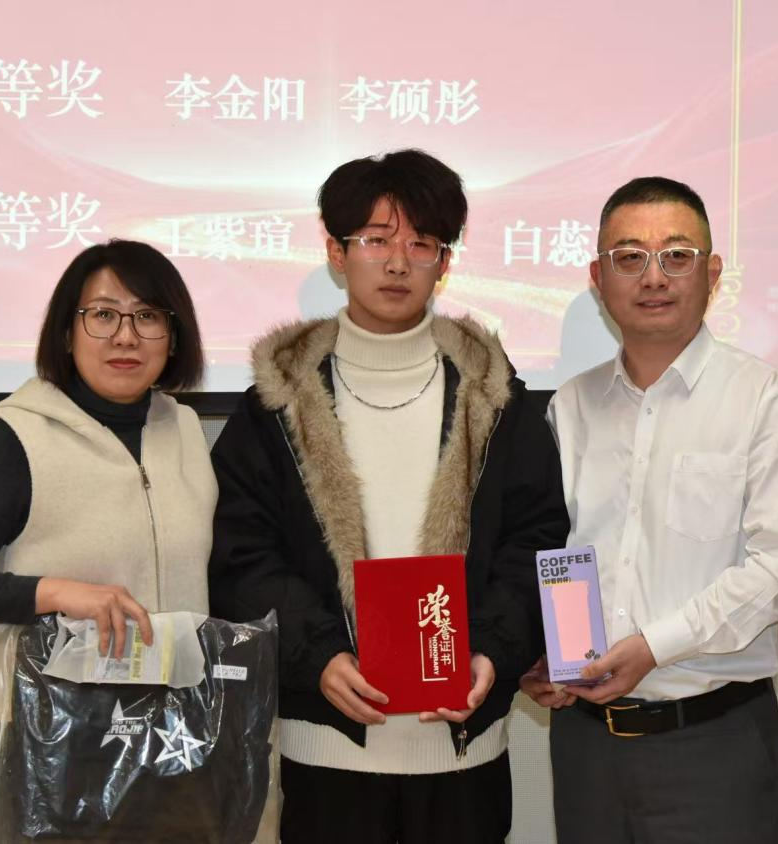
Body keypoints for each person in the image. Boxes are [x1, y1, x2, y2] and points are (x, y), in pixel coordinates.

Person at [208, 148, 568, 844]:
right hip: (328, 753)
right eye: (376, 240)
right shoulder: (274, 407)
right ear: (336, 252)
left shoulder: (496, 401)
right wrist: (316, 656)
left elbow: (536, 540)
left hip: (464, 755)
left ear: (444, 261)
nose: (398, 262)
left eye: (421, 243)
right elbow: (240, 555)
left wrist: (493, 650)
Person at [524, 176, 778, 843]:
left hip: (712, 742)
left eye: (676, 256)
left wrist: (654, 649)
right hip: (585, 745)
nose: (653, 276)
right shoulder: (569, 407)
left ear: (712, 274)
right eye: (629, 257)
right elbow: (552, 552)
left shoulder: (763, 399)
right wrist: (539, 651)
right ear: (598, 279)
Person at [0, 239, 216, 833]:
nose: (126, 337)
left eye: (148, 316)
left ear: (174, 336)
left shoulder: (185, 430)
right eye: (103, 315)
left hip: (173, 734)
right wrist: (55, 592)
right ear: (66, 332)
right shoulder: (15, 435)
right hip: (55, 741)